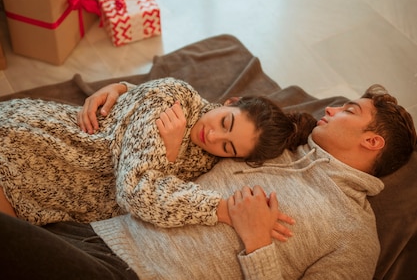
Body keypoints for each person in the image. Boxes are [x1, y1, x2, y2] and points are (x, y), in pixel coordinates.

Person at [0, 83, 415, 280]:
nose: (332, 108)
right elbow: (211, 120)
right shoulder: (279, 144)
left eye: (349, 111)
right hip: (92, 230)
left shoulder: (355, 235)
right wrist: (127, 92)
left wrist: (258, 247)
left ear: (372, 140)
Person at [0, 77, 315, 227]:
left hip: (48, 193)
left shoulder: (209, 159)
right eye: (225, 121)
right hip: (27, 144)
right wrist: (225, 211)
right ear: (230, 102)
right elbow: (136, 193)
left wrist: (171, 155)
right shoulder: (173, 100)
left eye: (228, 146)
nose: (213, 136)